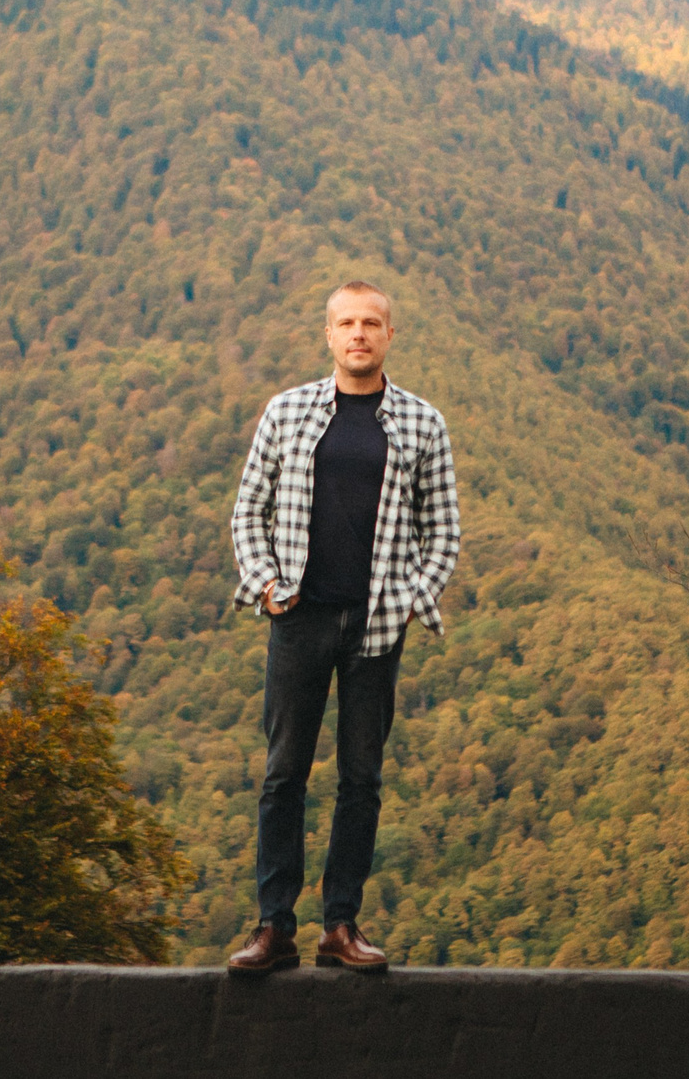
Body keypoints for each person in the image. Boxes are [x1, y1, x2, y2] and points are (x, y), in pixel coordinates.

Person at [223, 279, 461, 975]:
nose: (359, 333)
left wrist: (415, 595)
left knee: (362, 777)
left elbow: (442, 530)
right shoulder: (289, 411)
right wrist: (265, 585)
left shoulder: (423, 423)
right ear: (327, 334)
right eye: (346, 323)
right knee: (283, 775)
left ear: (391, 335)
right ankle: (274, 928)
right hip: (299, 617)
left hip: (377, 626)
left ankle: (341, 926)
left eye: (372, 323)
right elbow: (248, 511)